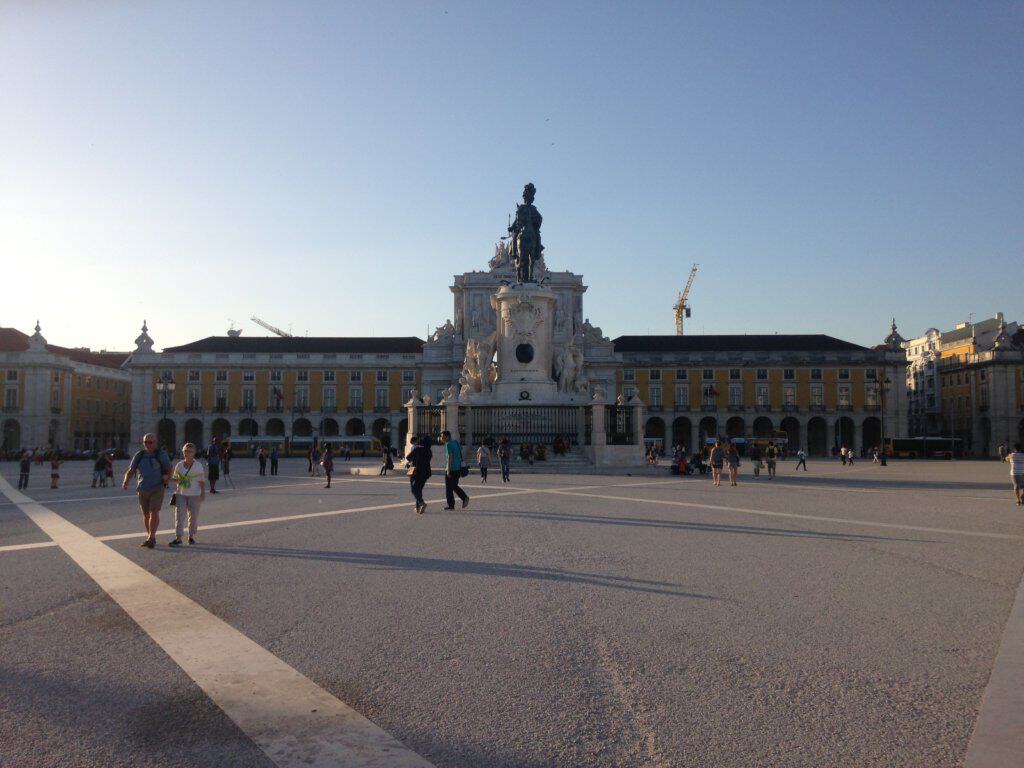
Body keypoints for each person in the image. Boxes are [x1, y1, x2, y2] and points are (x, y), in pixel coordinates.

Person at [123, 433, 172, 548]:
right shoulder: (139, 455)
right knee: (146, 515)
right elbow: (131, 470)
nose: (148, 445)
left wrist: (167, 478)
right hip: (142, 488)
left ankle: (151, 537)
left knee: (154, 511)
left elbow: (169, 468)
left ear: (155, 443)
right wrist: (126, 481)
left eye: (150, 442)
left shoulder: (161, 454)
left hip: (157, 487)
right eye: (145, 442)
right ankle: (150, 535)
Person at [170, 442, 206, 546]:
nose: (187, 453)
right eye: (185, 451)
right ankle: (178, 538)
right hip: (181, 493)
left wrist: (202, 493)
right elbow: (175, 479)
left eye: (189, 451)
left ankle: (191, 537)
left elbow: (201, 481)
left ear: (194, 453)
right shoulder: (179, 465)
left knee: (193, 516)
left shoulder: (198, 465)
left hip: (195, 494)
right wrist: (168, 479)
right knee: (179, 516)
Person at [442, 430, 468, 510]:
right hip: (458, 468)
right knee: (454, 486)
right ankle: (464, 498)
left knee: (449, 488)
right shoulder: (456, 442)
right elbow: (461, 448)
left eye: (443, 436)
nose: (442, 438)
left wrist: (448, 470)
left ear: (447, 436)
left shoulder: (448, 444)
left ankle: (452, 505)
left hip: (451, 468)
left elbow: (450, 457)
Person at [406, 435, 432, 513]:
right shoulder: (429, 451)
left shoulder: (417, 449)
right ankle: (418, 507)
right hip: (426, 472)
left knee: (414, 489)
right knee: (419, 489)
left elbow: (408, 457)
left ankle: (421, 503)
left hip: (416, 472)